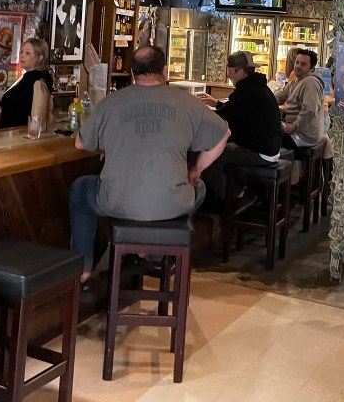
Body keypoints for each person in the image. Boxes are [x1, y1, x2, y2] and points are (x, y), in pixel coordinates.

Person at [69, 45, 229, 296]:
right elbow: (224, 134)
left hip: (117, 202)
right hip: (173, 204)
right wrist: (195, 170)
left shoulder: (111, 102)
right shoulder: (187, 102)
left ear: (132, 73)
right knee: (199, 189)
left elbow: (80, 143)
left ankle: (83, 272)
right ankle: (153, 249)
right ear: (164, 71)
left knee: (80, 189)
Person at [196, 51, 283, 207]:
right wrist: (216, 104)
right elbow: (235, 111)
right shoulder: (258, 87)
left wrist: (203, 112)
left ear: (241, 72)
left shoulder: (245, 91)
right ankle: (241, 190)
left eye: (230, 72)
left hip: (259, 151)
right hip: (270, 149)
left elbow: (228, 117)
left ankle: (235, 196)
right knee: (220, 151)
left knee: (206, 159)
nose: (228, 76)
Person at [0, 38, 55, 129]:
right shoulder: (29, 77)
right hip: (13, 133)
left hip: (20, 134)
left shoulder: (37, 80)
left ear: (40, 57)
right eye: (21, 52)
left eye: (27, 53)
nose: (22, 56)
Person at [276, 48, 326, 150]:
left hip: (302, 136)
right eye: (297, 62)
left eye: (303, 64)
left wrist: (294, 127)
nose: (298, 66)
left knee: (263, 136)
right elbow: (281, 95)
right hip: (295, 130)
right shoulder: (296, 81)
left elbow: (309, 110)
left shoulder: (311, 82)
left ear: (311, 68)